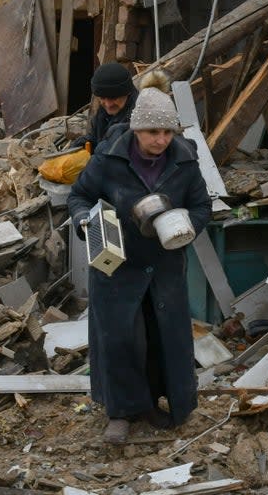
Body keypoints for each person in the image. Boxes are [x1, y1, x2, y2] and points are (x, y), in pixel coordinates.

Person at [67, 74, 211, 444]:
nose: (161, 141)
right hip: (118, 263)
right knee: (120, 339)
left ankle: (156, 403)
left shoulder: (184, 160)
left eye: (167, 133)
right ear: (136, 131)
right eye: (152, 133)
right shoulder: (110, 158)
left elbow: (201, 205)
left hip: (164, 264)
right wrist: (86, 221)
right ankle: (121, 413)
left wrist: (187, 226)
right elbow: (79, 196)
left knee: (164, 338)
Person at [74, 62, 138, 153]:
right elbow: (95, 137)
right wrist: (84, 143)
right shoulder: (102, 114)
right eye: (103, 98)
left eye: (114, 98)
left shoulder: (138, 120)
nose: (108, 104)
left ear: (127, 93)